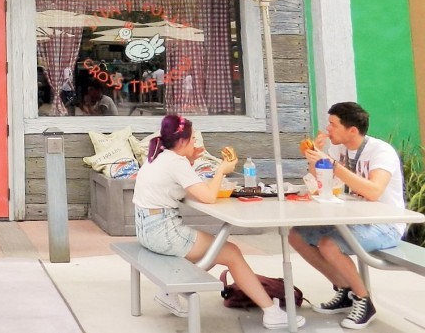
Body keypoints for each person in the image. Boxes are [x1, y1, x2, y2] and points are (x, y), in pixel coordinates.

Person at [133, 115, 304, 329]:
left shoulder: (160, 156)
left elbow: (183, 183)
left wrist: (190, 161)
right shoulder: (176, 162)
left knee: (216, 249)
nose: (196, 143)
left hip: (147, 229)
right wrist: (221, 170)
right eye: (193, 139)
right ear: (183, 141)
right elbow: (208, 197)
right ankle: (271, 312)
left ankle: (171, 292)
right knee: (230, 252)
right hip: (163, 232)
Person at [288, 101, 404, 329]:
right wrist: (316, 157)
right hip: (355, 219)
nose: (327, 129)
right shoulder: (340, 150)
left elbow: (373, 191)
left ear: (352, 130)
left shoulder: (381, 151)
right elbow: (322, 183)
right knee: (296, 236)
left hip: (386, 224)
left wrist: (332, 164)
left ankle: (363, 300)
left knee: (329, 244)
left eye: (333, 125)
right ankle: (344, 289)